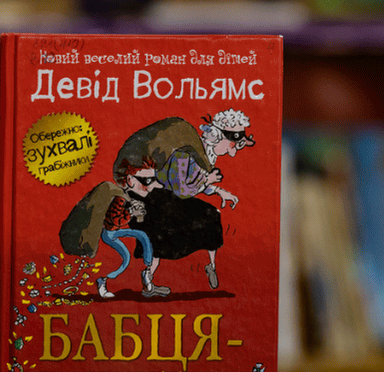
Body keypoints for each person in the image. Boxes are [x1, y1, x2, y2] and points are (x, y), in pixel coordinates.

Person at [114, 109, 254, 291]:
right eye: (232, 144)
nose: (233, 150)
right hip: (153, 195)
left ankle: (211, 266)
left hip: (169, 196)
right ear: (217, 136)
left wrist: (217, 190)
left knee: (212, 215)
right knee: (159, 235)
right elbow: (181, 190)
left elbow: (194, 182)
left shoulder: (206, 155)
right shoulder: (184, 153)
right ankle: (148, 277)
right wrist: (208, 181)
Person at [58, 158, 171, 298]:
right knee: (126, 257)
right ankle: (102, 282)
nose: (150, 186)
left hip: (114, 231)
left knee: (142, 235)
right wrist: (131, 212)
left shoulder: (125, 196)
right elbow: (115, 221)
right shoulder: (119, 197)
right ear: (130, 180)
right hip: (110, 233)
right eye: (147, 181)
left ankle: (147, 273)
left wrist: (134, 210)